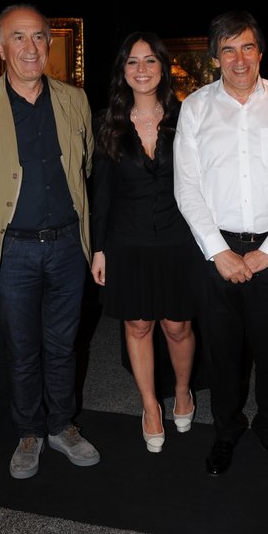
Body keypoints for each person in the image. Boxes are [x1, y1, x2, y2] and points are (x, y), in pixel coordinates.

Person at [0, 3, 100, 479]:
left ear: (48, 44)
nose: (30, 47)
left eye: (37, 37)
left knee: (63, 344)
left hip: (67, 247)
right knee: (22, 347)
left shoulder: (75, 100)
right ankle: (29, 431)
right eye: (18, 37)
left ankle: (61, 425)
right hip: (14, 250)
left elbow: (85, 164)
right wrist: (2, 213)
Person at [173, 10, 268, 476]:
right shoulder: (195, 108)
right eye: (228, 50)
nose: (239, 59)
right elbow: (186, 187)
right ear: (215, 58)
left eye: (247, 47)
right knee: (222, 352)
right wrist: (219, 251)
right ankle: (226, 431)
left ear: (260, 52)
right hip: (216, 252)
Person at [90, 32, 196, 453]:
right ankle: (150, 406)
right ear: (123, 70)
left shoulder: (187, 116)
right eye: (132, 61)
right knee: (137, 325)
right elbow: (101, 191)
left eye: (150, 60)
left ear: (163, 67)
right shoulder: (108, 122)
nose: (141, 69)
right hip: (127, 242)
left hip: (177, 239)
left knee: (177, 325)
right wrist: (99, 249)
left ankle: (183, 390)